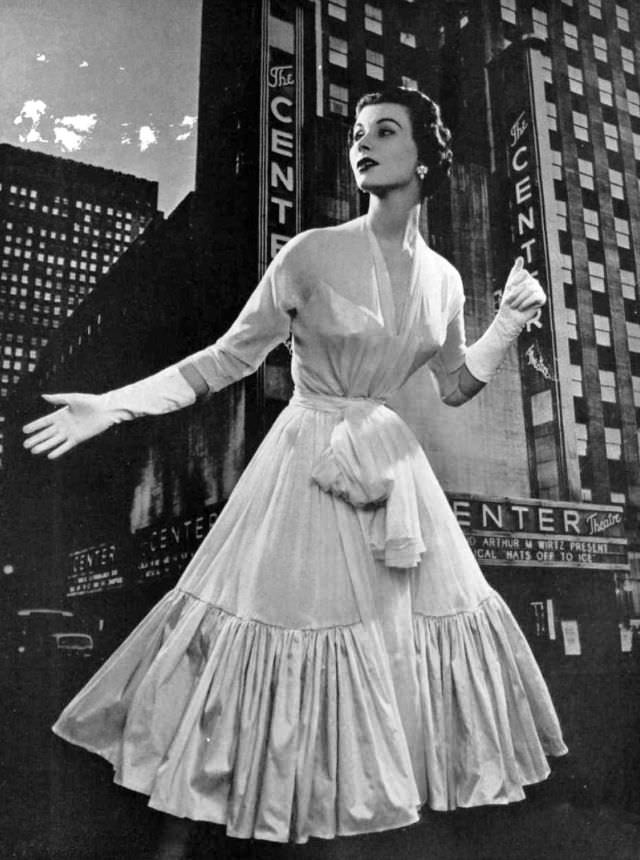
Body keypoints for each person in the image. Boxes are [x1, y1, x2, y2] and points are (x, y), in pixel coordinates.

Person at [23, 87, 567, 854]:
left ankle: (362, 825)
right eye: (357, 133)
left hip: (391, 473)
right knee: (280, 637)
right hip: (307, 464)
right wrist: (111, 406)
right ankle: (199, 830)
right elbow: (223, 361)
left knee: (389, 659)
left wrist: (508, 322)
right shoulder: (310, 252)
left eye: (385, 131)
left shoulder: (444, 278)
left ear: (424, 157)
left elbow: (452, 386)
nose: (363, 144)